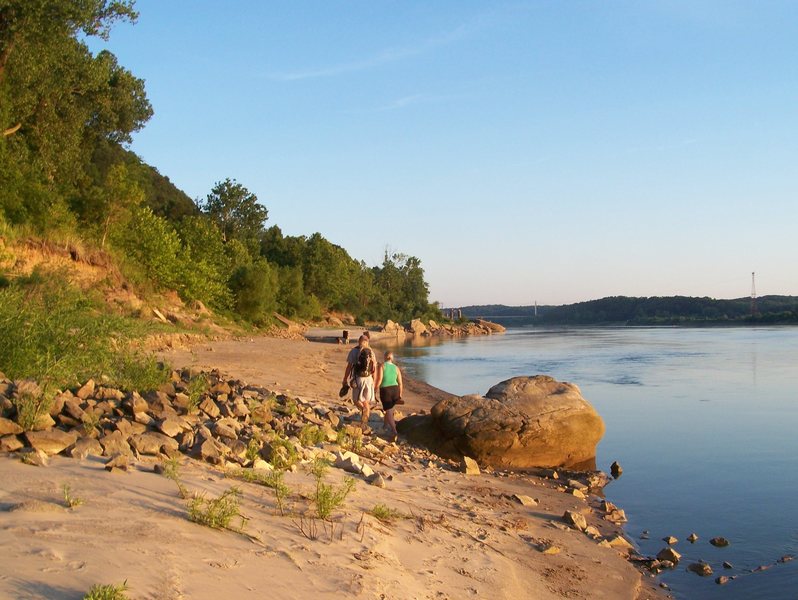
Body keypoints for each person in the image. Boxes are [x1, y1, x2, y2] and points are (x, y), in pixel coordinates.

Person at [342, 334, 377, 432]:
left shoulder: (354, 351)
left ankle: (363, 412)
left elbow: (349, 367)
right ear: (368, 341)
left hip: (358, 379)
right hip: (369, 379)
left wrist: (345, 379)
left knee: (356, 400)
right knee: (366, 401)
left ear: (359, 341)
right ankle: (364, 423)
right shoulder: (371, 352)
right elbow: (374, 368)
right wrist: (374, 381)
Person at [375, 350, 403, 442]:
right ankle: (385, 425)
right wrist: (400, 394)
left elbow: (379, 379)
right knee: (389, 409)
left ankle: (394, 430)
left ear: (385, 357)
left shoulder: (382, 366)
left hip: (386, 390)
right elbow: (400, 383)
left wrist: (375, 390)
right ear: (392, 358)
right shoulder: (396, 368)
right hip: (395, 389)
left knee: (389, 410)